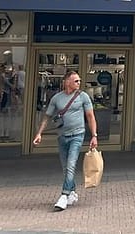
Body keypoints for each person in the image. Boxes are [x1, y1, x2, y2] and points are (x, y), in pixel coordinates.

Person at [32, 69, 97, 211]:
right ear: (67, 82)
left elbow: (90, 116)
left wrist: (94, 135)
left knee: (71, 164)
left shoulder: (83, 96)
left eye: (79, 80)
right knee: (65, 167)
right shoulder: (56, 98)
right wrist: (39, 134)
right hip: (62, 136)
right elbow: (47, 116)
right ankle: (72, 192)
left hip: (77, 135)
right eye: (76, 81)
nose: (79, 83)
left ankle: (64, 195)